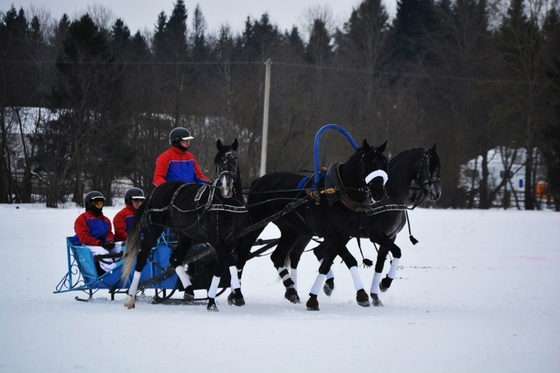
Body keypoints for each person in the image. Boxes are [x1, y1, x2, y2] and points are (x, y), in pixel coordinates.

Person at [73, 191, 121, 274]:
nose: (99, 206)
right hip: (86, 246)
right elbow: (83, 237)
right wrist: (99, 243)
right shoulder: (82, 219)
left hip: (102, 244)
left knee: (121, 247)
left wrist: (109, 241)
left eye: (101, 203)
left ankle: (124, 269)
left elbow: (109, 233)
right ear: (89, 204)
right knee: (103, 252)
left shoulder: (105, 220)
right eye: (96, 203)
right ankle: (113, 273)